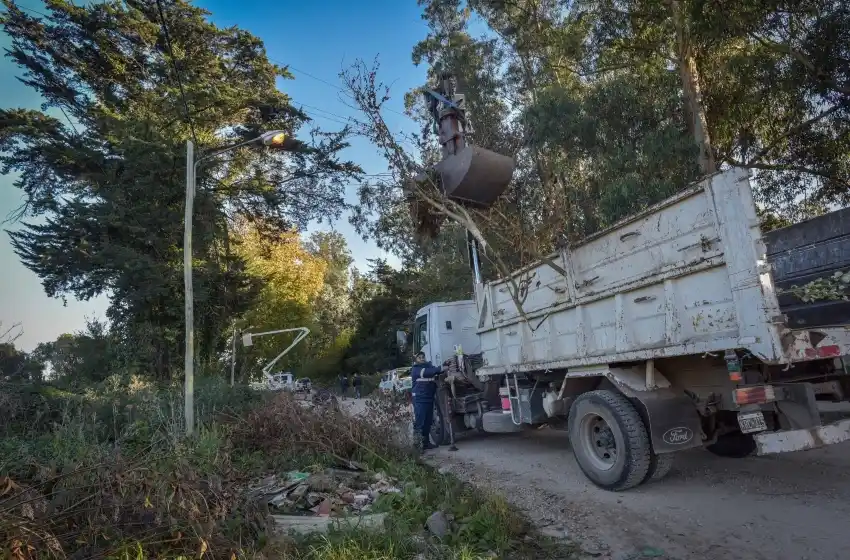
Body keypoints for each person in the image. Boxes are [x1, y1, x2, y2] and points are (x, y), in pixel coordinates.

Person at [410, 352, 443, 452]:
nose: (422, 359)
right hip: (420, 399)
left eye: (423, 357)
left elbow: (434, 371)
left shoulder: (429, 366)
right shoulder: (416, 369)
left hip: (428, 398)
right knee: (420, 423)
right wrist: (440, 369)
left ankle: (426, 443)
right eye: (419, 357)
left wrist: (444, 366)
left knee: (428, 422)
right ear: (416, 360)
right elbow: (428, 372)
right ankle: (417, 446)